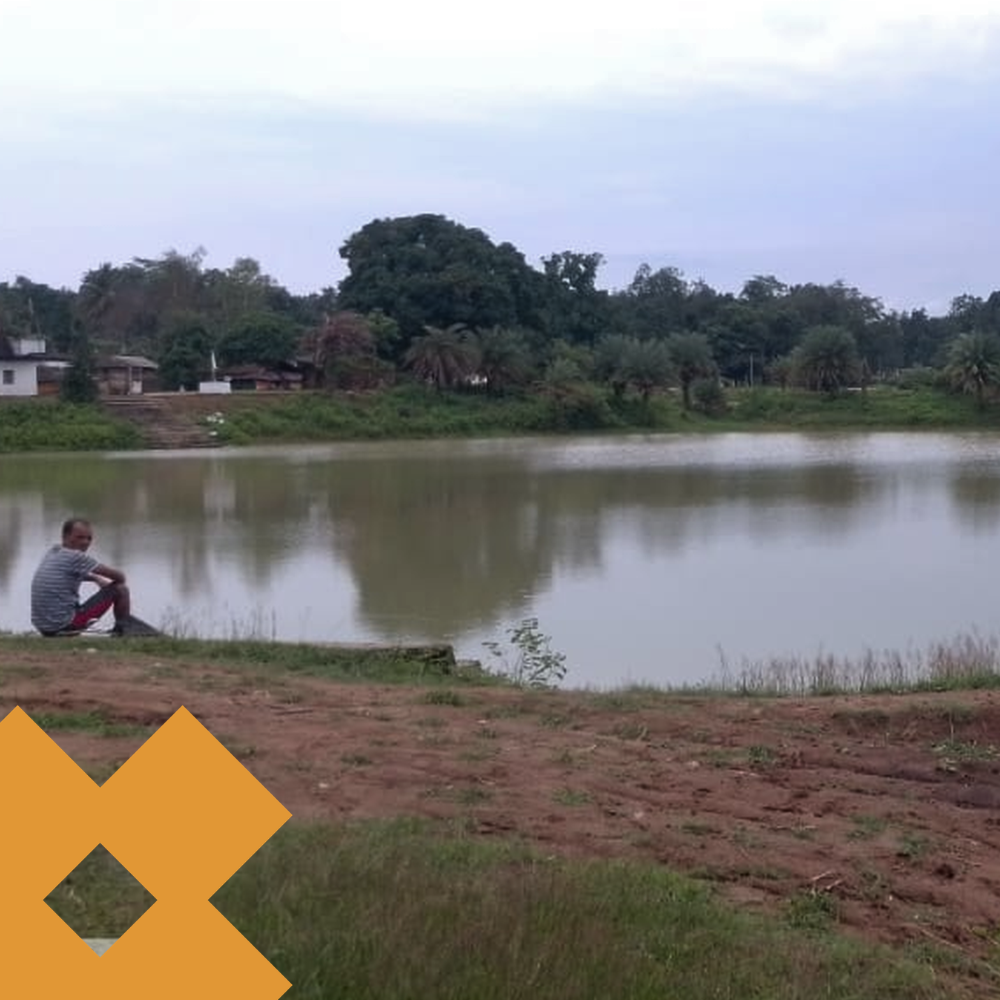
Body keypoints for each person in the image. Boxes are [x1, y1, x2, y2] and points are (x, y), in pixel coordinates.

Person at [31, 517, 131, 636]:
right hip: (65, 625)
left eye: (89, 538)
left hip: (44, 627)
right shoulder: (76, 556)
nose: (85, 542)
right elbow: (120, 577)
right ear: (65, 537)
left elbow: (68, 572)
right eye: (80, 537)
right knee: (120, 589)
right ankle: (122, 632)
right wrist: (105, 580)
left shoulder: (54, 551)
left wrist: (95, 578)